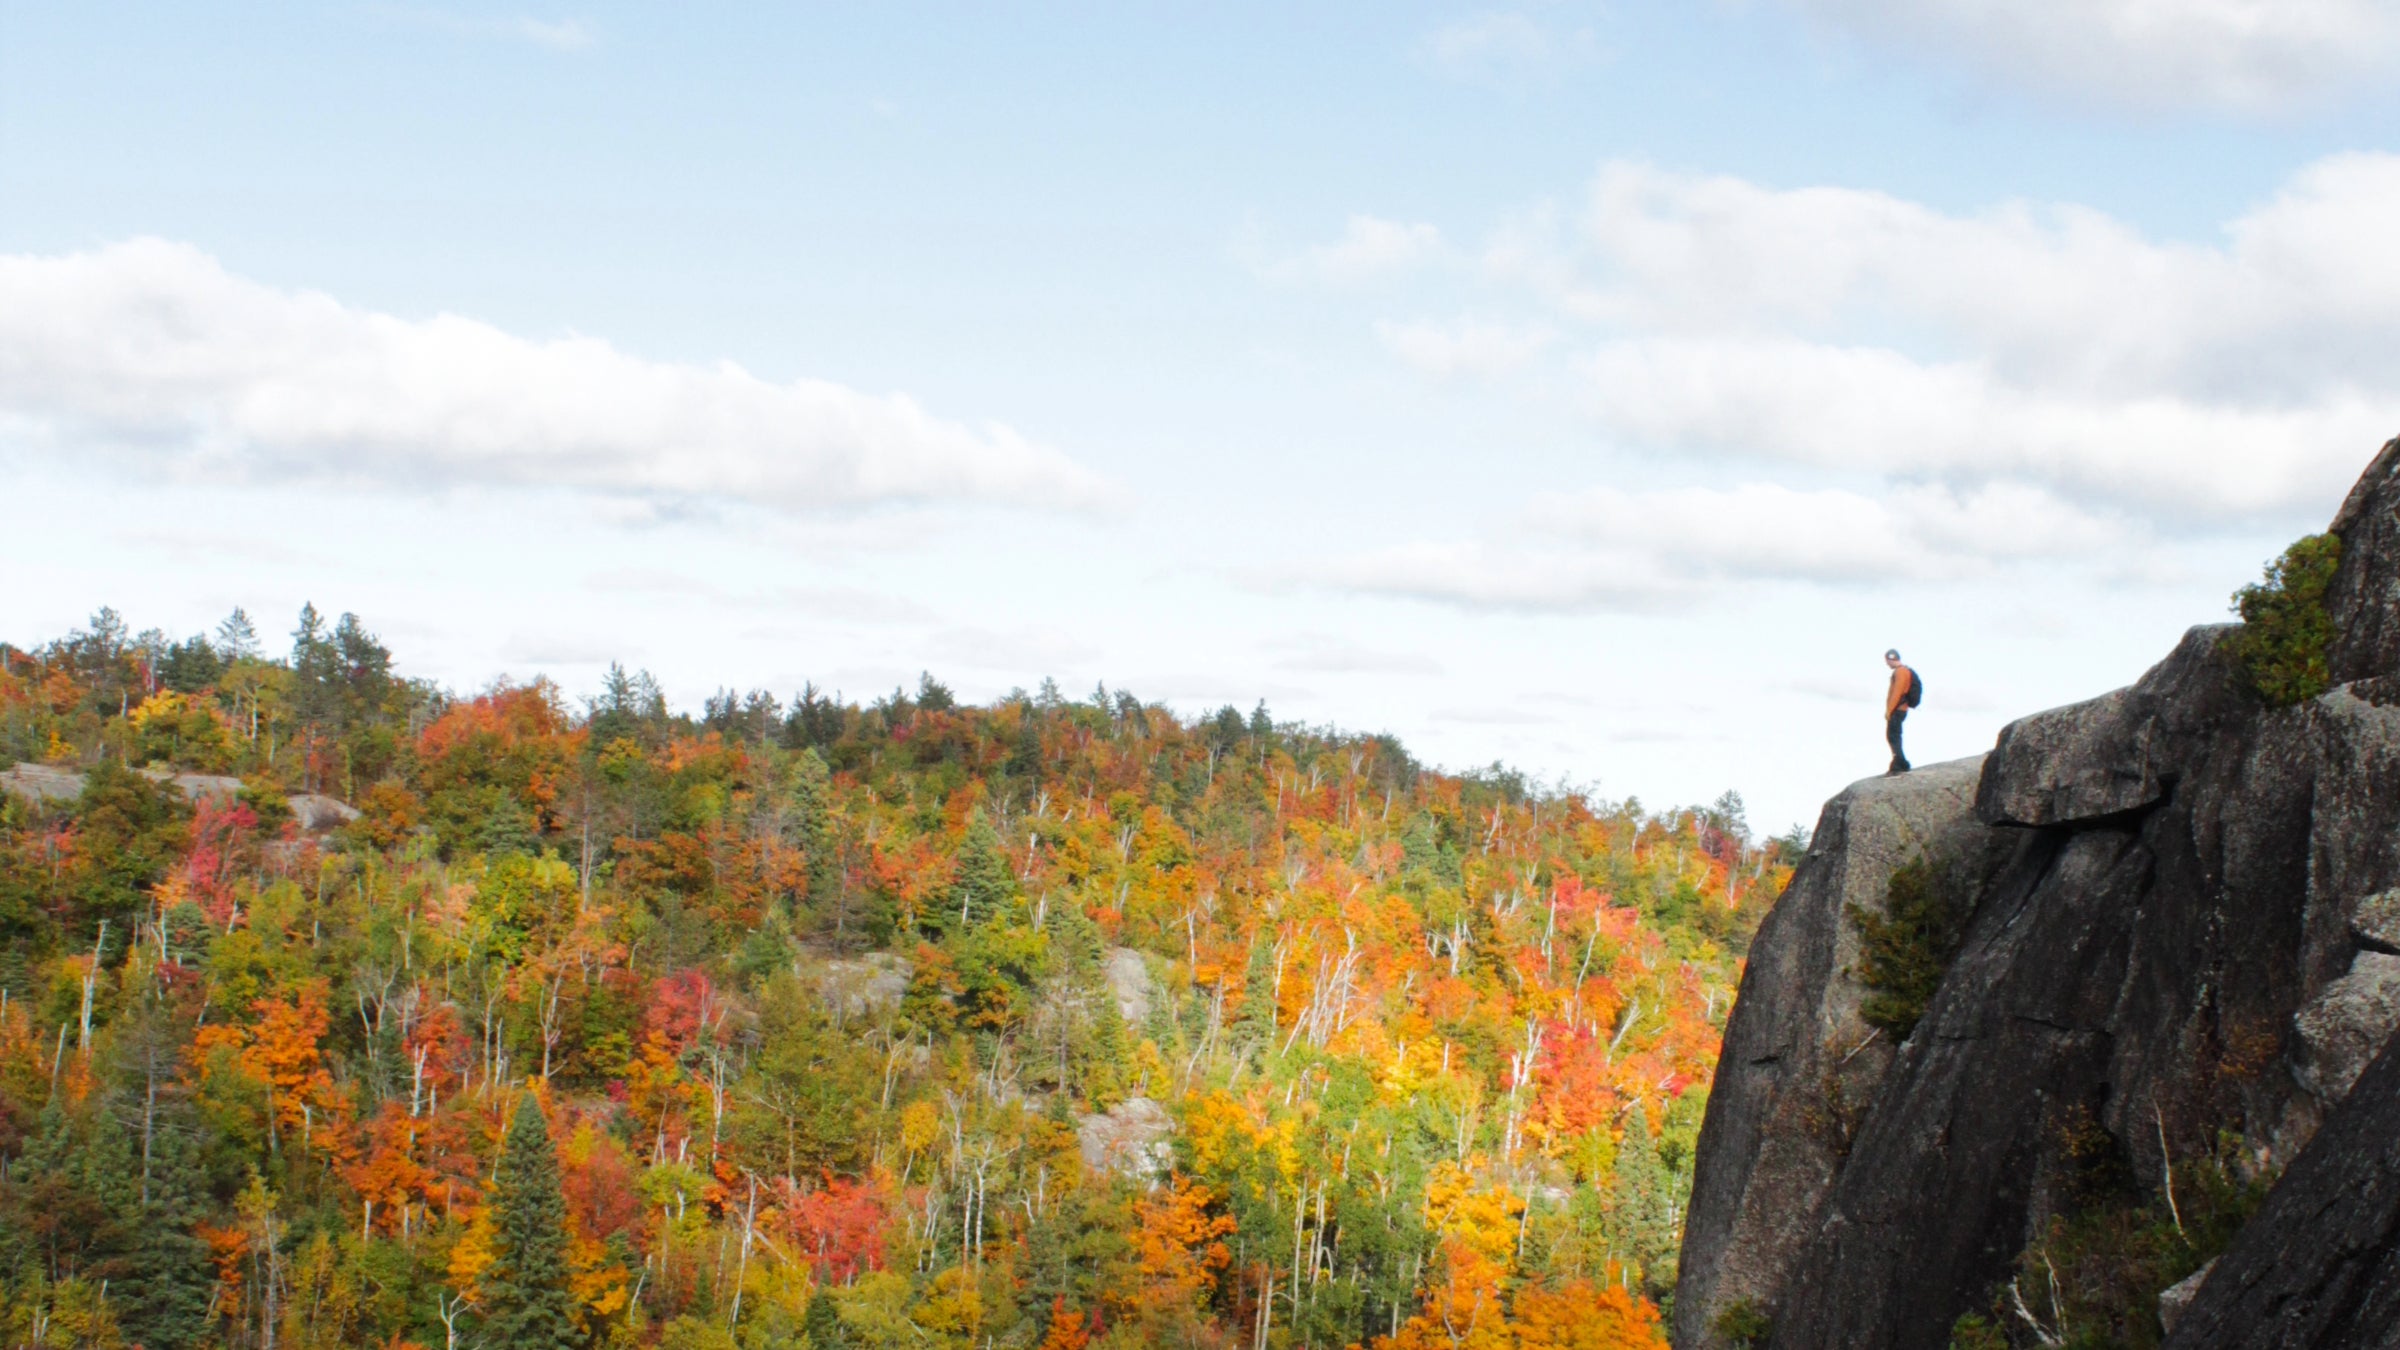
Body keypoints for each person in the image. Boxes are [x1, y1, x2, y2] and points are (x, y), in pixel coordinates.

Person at [1883, 649, 1917, 774]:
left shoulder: (1901, 672)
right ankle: (1899, 760)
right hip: (1899, 709)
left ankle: (1900, 762)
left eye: (1887, 661)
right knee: (1894, 735)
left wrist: (1889, 711)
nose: (1887, 664)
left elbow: (1897, 693)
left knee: (1893, 735)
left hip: (1898, 709)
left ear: (1891, 659)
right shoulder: (1902, 671)